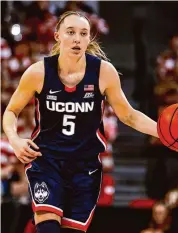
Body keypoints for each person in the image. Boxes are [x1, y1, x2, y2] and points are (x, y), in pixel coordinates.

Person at [3, 11, 159, 233]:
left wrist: (162, 132)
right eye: (71, 32)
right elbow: (11, 111)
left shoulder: (104, 72)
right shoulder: (38, 72)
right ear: (57, 36)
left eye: (83, 33)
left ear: (89, 39)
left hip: (85, 168)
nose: (77, 38)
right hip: (47, 162)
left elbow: (129, 115)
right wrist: (15, 139)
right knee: (47, 228)